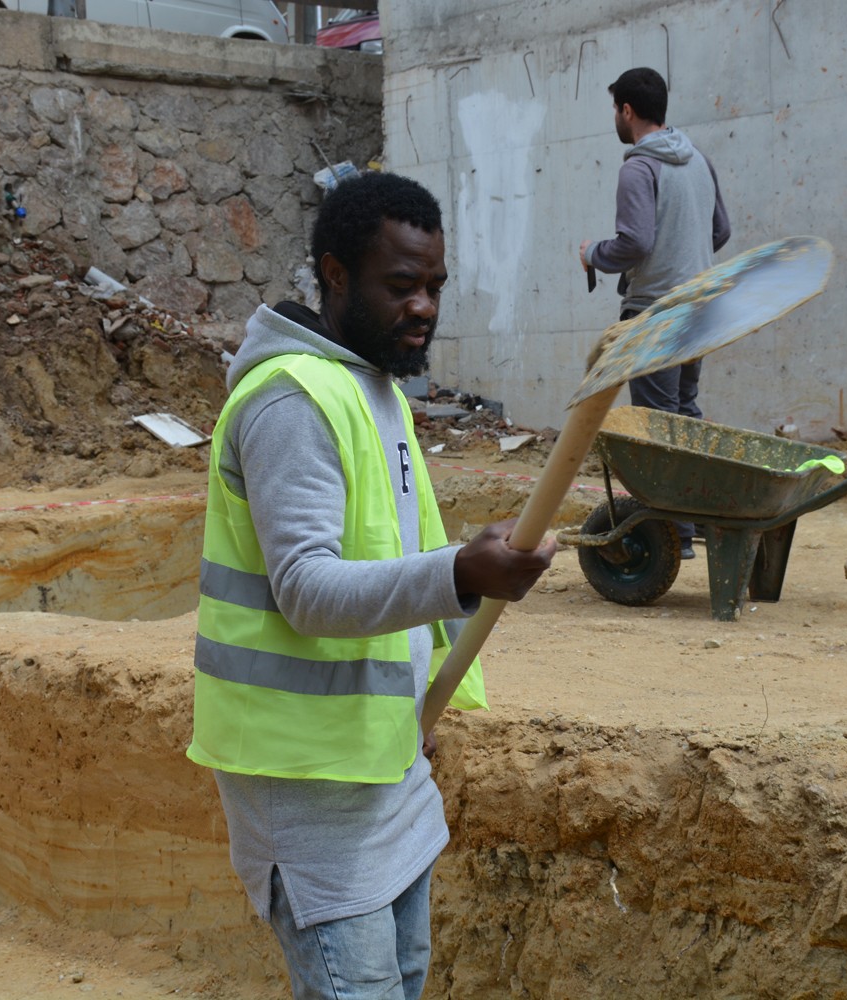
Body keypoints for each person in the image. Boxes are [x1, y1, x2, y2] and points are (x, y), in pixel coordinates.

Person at [188, 170, 556, 1000]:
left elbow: (385, 574)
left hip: (383, 765)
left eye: (434, 287)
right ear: (334, 274)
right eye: (401, 285)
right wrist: (462, 571)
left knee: (404, 980)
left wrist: (413, 708)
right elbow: (308, 591)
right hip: (306, 783)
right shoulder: (293, 401)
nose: (423, 306)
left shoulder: (371, 387)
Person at [580, 66, 731, 558]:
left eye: (615, 111)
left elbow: (635, 242)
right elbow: (721, 231)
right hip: (700, 309)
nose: (616, 120)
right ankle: (691, 523)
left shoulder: (639, 168)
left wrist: (592, 255)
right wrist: (685, 254)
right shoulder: (698, 160)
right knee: (684, 415)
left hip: (656, 312)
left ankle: (673, 537)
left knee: (657, 424)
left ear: (627, 110)